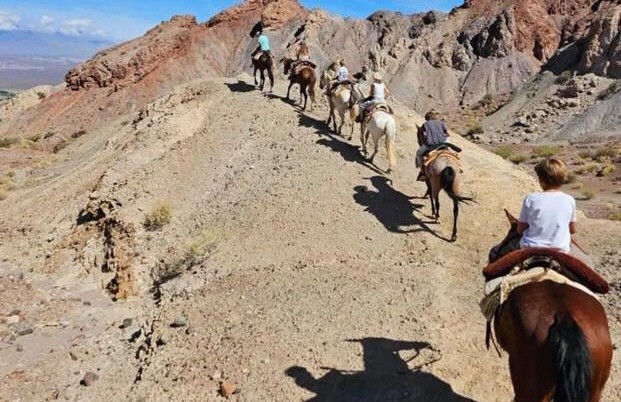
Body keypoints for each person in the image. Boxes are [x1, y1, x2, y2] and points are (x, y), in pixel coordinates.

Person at [416, 110, 450, 180]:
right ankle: (459, 167)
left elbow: (424, 135)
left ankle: (422, 173)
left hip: (431, 144)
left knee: (418, 153)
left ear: (427, 118)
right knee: (451, 152)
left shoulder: (425, 124)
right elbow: (447, 134)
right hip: (443, 143)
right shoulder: (441, 123)